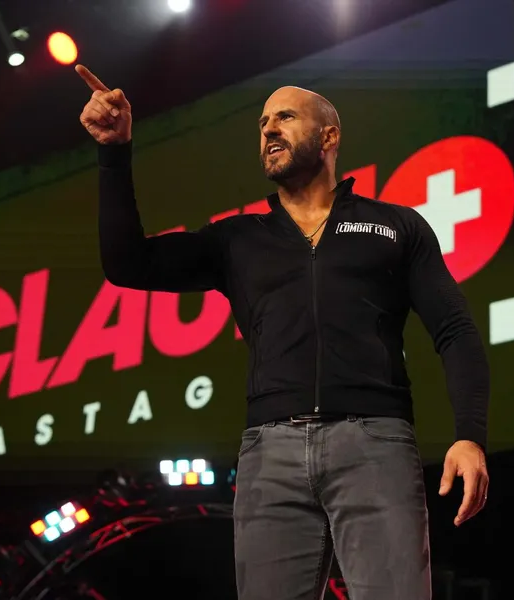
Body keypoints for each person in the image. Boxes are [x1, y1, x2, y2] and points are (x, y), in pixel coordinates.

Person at [76, 64, 490, 600]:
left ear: (329, 136)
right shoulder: (237, 239)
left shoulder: (396, 226)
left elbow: (455, 329)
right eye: (263, 123)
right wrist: (113, 152)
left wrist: (470, 434)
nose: (269, 129)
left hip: (375, 445)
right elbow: (127, 264)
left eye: (286, 117)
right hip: (269, 457)